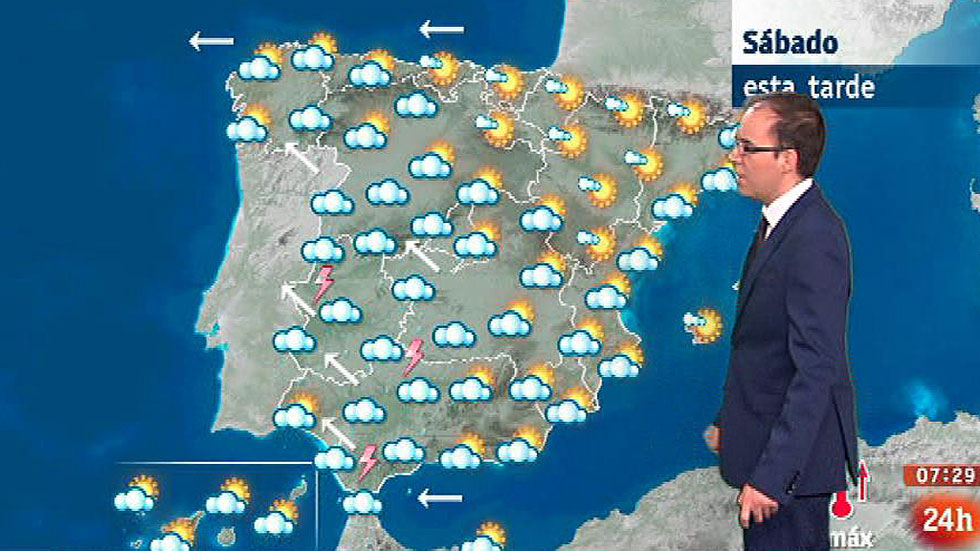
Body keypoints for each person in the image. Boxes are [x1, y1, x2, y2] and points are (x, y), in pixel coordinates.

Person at [702, 92, 860, 550]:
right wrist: (730, 420)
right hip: (767, 448)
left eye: (748, 147)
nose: (735, 156)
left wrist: (772, 478)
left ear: (787, 159)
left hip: (791, 476)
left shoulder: (814, 237)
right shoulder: (780, 223)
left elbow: (817, 368)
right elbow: (763, 345)